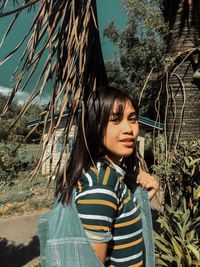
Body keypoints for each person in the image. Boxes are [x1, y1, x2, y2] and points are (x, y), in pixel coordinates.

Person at [38, 86, 158, 267]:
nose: (129, 129)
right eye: (115, 120)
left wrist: (142, 198)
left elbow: (119, 227)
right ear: (95, 126)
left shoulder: (111, 175)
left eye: (132, 119)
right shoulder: (101, 184)